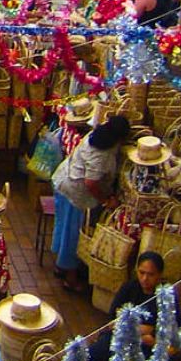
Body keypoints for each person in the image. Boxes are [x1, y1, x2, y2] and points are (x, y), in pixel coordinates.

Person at [51, 113, 132, 292]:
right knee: (73, 235)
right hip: (75, 192)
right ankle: (70, 277)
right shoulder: (102, 154)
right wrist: (105, 200)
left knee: (63, 227)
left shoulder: (97, 134)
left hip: (64, 180)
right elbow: (91, 182)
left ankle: (60, 266)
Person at [88, 252, 181, 361]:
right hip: (122, 339)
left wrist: (144, 332)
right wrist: (144, 330)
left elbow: (166, 331)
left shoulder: (166, 297)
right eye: (141, 272)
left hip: (148, 349)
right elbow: (114, 319)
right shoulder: (129, 288)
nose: (144, 278)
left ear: (159, 275)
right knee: (92, 355)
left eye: (151, 274)